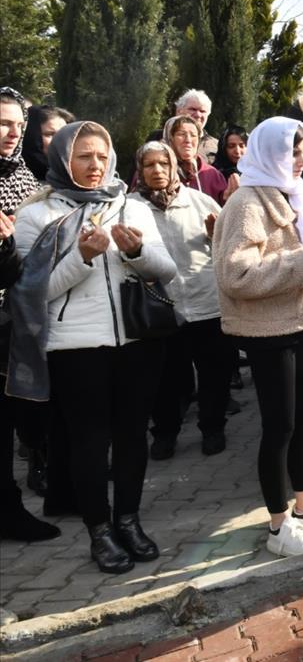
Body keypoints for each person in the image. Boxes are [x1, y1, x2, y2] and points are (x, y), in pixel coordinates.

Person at [11, 121, 177, 573]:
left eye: (102, 156)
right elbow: (33, 293)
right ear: (63, 159)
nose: (95, 165)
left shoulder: (131, 205)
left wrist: (137, 251)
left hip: (138, 341)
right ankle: (99, 532)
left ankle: (129, 521)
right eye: (83, 156)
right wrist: (82, 258)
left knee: (132, 436)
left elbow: (166, 270)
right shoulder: (38, 214)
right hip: (75, 347)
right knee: (89, 442)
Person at [213, 116, 303, 557]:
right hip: (269, 332)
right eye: (292, 152)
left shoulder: (296, 194)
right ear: (268, 152)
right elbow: (235, 275)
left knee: (302, 424)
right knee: (279, 428)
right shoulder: (247, 202)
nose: (300, 161)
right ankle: (278, 527)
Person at [132, 141, 235, 459]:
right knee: (167, 379)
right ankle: (165, 433)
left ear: (174, 166)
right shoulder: (131, 208)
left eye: (164, 163)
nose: (157, 170)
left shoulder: (199, 202)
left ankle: (213, 428)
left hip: (206, 304)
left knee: (214, 373)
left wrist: (215, 235)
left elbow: (229, 248)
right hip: (162, 309)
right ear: (139, 170)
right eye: (149, 165)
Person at [0, 90, 60, 543]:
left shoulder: (24, 177)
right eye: (3, 123)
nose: (13, 132)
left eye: (19, 124)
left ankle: (9, 508)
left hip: (16, 317)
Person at [164, 115, 229, 205]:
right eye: (181, 134)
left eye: (193, 135)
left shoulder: (213, 174)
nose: (188, 140)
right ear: (170, 139)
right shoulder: (159, 171)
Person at [21, 104, 74, 182]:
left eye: (63, 134)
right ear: (30, 136)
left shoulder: (79, 177)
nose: (60, 140)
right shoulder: (13, 180)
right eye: (50, 134)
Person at [174, 90, 219, 162]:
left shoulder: (217, 146)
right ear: (179, 111)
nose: (198, 115)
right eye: (193, 109)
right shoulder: (160, 138)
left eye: (202, 111)